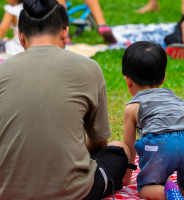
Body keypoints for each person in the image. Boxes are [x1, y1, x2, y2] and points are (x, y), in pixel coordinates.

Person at [0, 0, 131, 199]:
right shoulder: (89, 68)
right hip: (73, 192)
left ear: (20, 36)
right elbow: (99, 143)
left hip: (8, 191)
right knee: (120, 148)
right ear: (65, 33)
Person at [121, 41, 184, 200]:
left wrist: (127, 178)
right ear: (163, 78)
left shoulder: (133, 107)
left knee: (145, 189)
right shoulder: (177, 99)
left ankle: (166, 192)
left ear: (128, 80)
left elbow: (129, 147)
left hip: (160, 145)